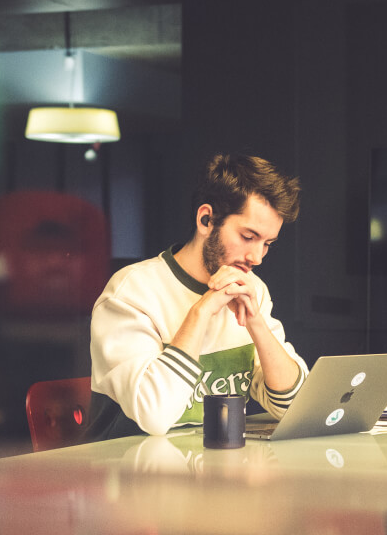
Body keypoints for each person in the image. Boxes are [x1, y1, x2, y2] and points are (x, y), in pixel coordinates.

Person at [86, 153, 307, 440]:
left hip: (212, 470)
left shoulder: (252, 290)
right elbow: (155, 415)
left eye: (268, 244)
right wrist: (201, 312)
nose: (257, 257)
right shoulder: (131, 291)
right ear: (206, 220)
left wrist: (257, 325)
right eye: (248, 236)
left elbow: (295, 407)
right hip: (129, 471)